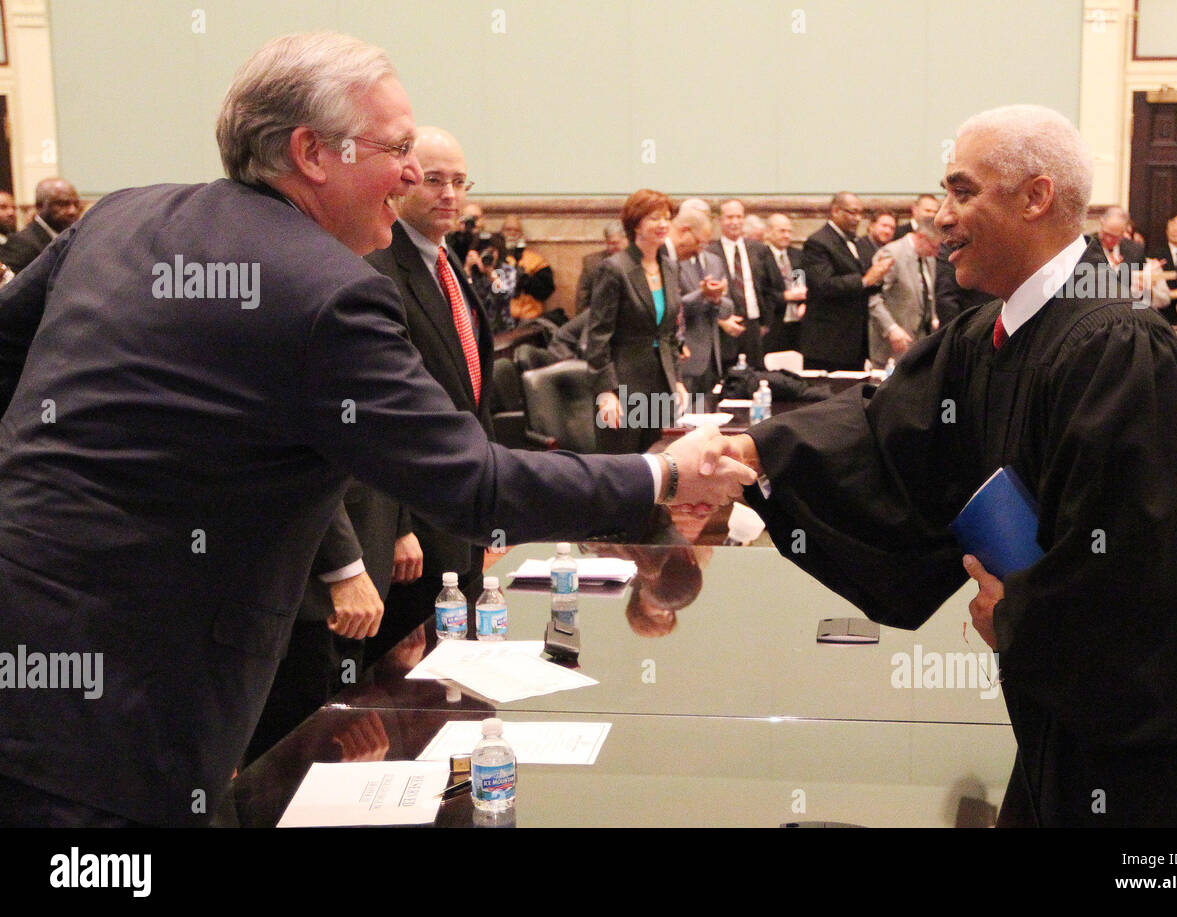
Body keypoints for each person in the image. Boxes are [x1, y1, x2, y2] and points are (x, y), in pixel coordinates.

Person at [0, 32, 752, 827]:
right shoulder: (328, 292)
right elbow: (474, 482)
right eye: (396, 147)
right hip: (122, 718)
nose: (410, 171)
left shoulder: (122, 215)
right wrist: (663, 475)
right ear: (311, 152)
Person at [702, 104, 1177, 828]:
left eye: (964, 193)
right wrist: (754, 453)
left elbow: (1142, 572)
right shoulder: (989, 335)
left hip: (1135, 753)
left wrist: (1021, 616)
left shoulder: (1122, 350)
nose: (939, 218)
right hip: (1055, 722)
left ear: (1035, 196)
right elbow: (888, 438)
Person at [363, 126, 498, 664]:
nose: (449, 194)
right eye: (435, 180)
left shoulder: (449, 267)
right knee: (413, 688)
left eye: (460, 182)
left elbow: (472, 396)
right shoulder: (377, 268)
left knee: (463, 673)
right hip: (413, 532)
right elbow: (374, 417)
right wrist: (397, 528)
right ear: (402, 183)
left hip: (462, 512)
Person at [588, 189, 689, 453]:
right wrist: (605, 392)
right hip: (622, 387)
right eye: (655, 218)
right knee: (623, 473)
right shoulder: (614, 268)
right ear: (636, 224)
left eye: (667, 217)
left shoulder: (669, 267)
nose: (663, 224)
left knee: (660, 468)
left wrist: (676, 380)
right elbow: (598, 337)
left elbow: (668, 333)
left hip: (660, 386)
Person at [800, 192, 893, 370]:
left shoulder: (856, 242)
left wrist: (878, 278)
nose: (857, 218)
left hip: (854, 342)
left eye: (860, 213)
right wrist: (865, 280)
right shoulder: (818, 242)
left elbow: (865, 282)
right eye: (852, 212)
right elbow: (824, 285)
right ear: (835, 211)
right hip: (827, 343)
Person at [707, 199, 783, 370]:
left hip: (754, 326)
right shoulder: (710, 252)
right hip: (726, 326)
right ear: (720, 220)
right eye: (729, 217)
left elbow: (772, 287)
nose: (734, 222)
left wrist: (766, 322)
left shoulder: (759, 250)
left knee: (756, 375)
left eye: (738, 217)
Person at [668, 206, 732, 397]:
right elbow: (674, 307)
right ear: (684, 229)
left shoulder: (715, 261)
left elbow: (728, 309)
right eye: (698, 242)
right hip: (683, 355)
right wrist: (701, 294)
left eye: (704, 244)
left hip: (712, 357)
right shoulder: (670, 261)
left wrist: (717, 298)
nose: (698, 250)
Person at [867, 215, 940, 366]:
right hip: (891, 345)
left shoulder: (929, 258)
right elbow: (873, 298)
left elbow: (928, 292)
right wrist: (891, 328)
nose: (937, 253)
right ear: (921, 237)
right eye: (934, 247)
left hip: (919, 342)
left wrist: (932, 317)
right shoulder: (891, 253)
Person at [0, 178, 81, 273]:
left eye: (76, 204)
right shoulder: (21, 243)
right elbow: (12, 286)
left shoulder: (75, 239)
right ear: (39, 206)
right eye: (62, 204)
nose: (72, 211)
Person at [763, 213, 806, 355]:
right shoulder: (761, 257)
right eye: (782, 231)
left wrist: (805, 303)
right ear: (769, 232)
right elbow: (762, 292)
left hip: (797, 323)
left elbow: (806, 281)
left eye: (789, 231)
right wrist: (785, 296)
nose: (787, 235)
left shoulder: (798, 255)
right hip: (773, 323)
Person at [500, 215, 556, 322]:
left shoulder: (536, 261)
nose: (512, 233)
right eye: (508, 230)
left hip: (528, 319)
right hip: (500, 320)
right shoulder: (494, 259)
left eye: (516, 231)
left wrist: (526, 280)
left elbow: (546, 291)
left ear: (521, 235)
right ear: (501, 233)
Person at [575, 222, 627, 314]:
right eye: (610, 243)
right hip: (599, 317)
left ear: (627, 240)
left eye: (616, 243)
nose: (613, 246)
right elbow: (582, 299)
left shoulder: (637, 260)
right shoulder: (592, 263)